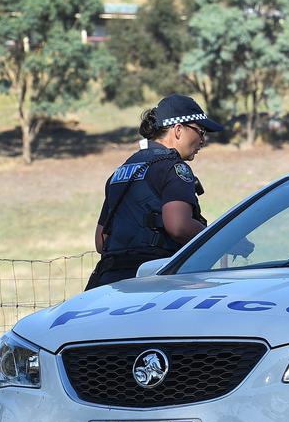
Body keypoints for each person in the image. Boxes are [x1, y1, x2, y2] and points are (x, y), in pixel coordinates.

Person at [85, 94, 223, 289]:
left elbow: (101, 241)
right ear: (178, 130)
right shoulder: (172, 168)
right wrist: (222, 238)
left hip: (110, 283)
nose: (203, 140)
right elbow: (179, 226)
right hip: (154, 281)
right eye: (200, 131)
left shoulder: (121, 171)